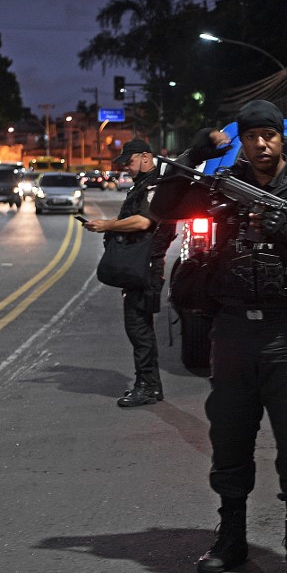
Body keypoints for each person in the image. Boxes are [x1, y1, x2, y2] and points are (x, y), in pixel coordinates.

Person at [151, 99, 287, 573]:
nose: (261, 144)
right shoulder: (224, 187)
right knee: (229, 439)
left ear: (282, 138)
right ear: (241, 140)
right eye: (251, 136)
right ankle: (232, 539)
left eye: (270, 134)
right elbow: (162, 207)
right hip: (233, 331)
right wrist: (194, 154)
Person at [83, 139, 172, 407]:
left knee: (138, 328)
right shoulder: (144, 184)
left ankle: (146, 387)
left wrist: (109, 224)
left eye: (130, 161)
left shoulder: (154, 185)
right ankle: (151, 386)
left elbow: (145, 220)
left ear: (146, 156)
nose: (128, 168)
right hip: (138, 265)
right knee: (140, 327)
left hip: (145, 267)